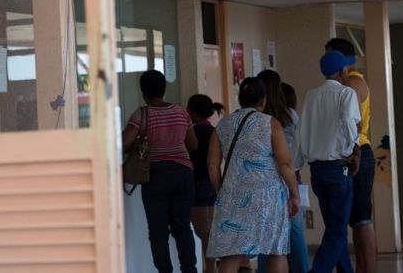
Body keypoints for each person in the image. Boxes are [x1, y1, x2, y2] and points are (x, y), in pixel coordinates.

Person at [207, 77, 300, 273]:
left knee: (230, 254)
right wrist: (294, 193)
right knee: (276, 251)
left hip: (232, 195)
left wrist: (220, 190)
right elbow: (284, 163)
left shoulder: (222, 125)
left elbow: (212, 164)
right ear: (263, 100)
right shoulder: (270, 123)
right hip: (269, 197)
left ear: (240, 99)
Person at [122, 70, 198, 273]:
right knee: (182, 227)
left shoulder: (141, 114)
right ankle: (189, 269)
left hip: (156, 176)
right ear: (165, 89)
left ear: (143, 92)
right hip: (183, 174)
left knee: (158, 231)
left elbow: (123, 142)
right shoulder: (181, 112)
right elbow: (193, 144)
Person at [298, 51, 362, 273]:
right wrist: (352, 144)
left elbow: (302, 129)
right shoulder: (347, 93)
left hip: (317, 170)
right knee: (338, 231)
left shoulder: (311, 95)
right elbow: (349, 121)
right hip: (338, 168)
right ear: (343, 71)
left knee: (335, 228)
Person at [326, 38, 376, 273]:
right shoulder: (344, 83)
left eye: (331, 57)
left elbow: (352, 124)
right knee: (355, 220)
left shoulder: (354, 82)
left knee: (362, 218)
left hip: (358, 151)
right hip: (349, 151)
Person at [255, 71, 309, 273]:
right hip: (292, 176)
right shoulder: (291, 115)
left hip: (263, 180)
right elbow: (297, 152)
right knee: (295, 233)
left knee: (264, 233)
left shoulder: (257, 119)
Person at [187, 94, 225, 273]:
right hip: (212, 183)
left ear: (193, 113)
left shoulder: (193, 134)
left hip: (197, 184)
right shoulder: (214, 131)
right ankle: (210, 267)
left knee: (204, 233)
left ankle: (211, 269)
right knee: (209, 231)